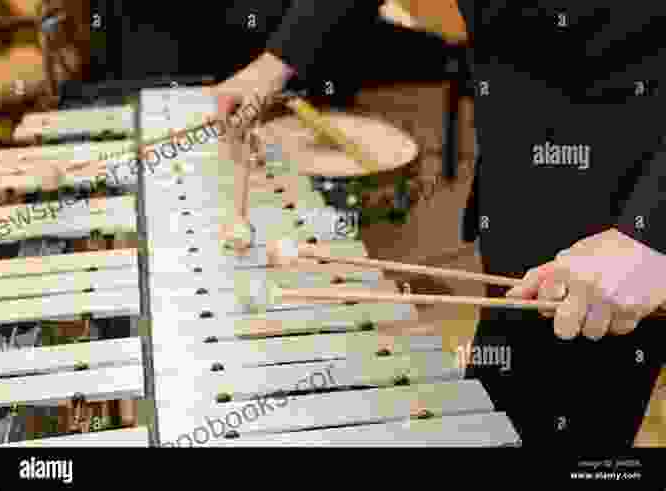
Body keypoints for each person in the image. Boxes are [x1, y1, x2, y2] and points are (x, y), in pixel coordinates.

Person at [206, 0, 666, 448]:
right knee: (494, 419)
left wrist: (651, 238)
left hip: (621, 235)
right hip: (520, 205)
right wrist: (279, 59)